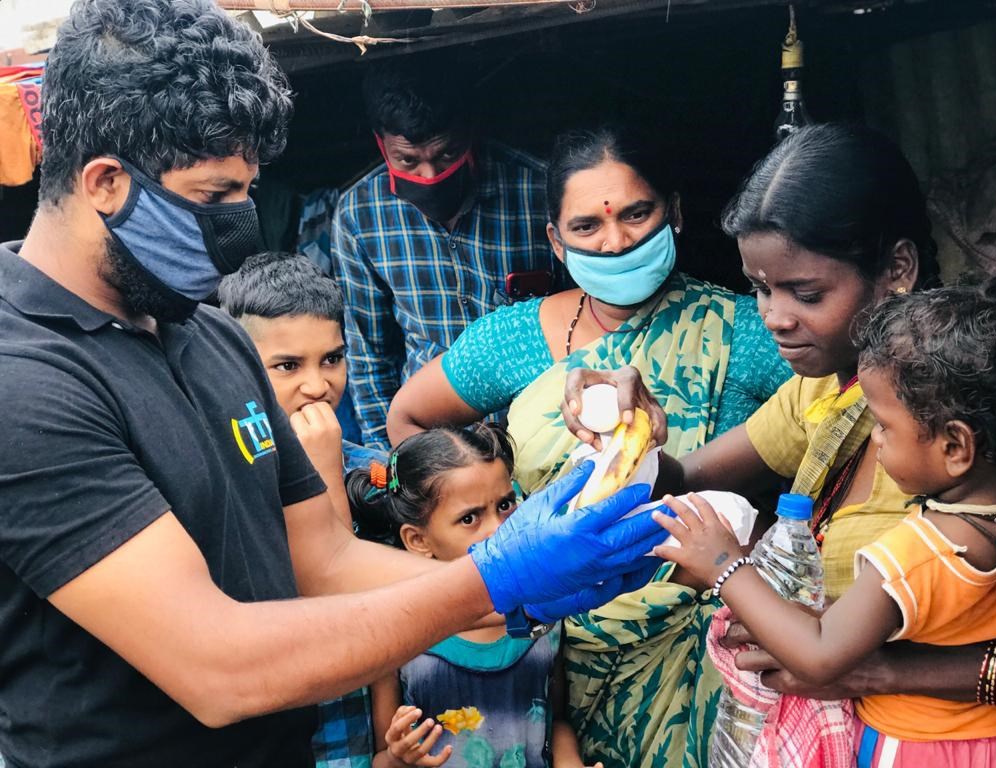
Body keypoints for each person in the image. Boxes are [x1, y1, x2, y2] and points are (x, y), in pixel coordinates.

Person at [0, 3, 665, 766]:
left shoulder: (209, 334)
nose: (241, 230)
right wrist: (494, 574)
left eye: (249, 192)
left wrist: (519, 586)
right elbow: (215, 665)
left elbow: (321, 560)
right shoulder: (24, 381)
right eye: (216, 198)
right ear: (107, 183)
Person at [563, 123, 996, 722]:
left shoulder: (981, 420)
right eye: (760, 289)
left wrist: (883, 672)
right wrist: (631, 430)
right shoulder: (821, 393)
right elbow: (680, 478)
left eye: (805, 293)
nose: (775, 317)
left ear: (898, 269)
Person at [388, 125, 792, 768]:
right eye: (586, 227)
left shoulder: (749, 332)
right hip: (545, 658)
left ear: (676, 212)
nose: (617, 240)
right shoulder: (515, 339)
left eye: (638, 213)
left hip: (703, 648)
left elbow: (833, 433)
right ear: (555, 238)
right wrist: (482, 528)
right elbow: (407, 415)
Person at [656, 277, 996, 766]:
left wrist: (725, 565)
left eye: (885, 429)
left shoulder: (918, 549)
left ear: (955, 447)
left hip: (915, 749)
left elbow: (820, 654)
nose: (874, 442)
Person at [333, 59, 564, 451]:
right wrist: (389, 460)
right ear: (381, 143)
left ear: (469, 133)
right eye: (407, 160)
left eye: (446, 155)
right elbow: (369, 353)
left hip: (542, 432)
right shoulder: (359, 215)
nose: (428, 176)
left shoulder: (540, 193)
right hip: (433, 447)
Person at [218, 251, 385, 768]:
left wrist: (331, 472)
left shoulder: (377, 471)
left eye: (331, 359)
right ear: (235, 365)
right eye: (288, 366)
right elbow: (323, 583)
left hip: (368, 724)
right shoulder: (222, 473)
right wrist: (316, 472)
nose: (317, 385)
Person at [349, 424, 598, 768]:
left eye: (506, 504)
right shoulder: (398, 636)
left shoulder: (543, 614)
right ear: (418, 540)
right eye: (469, 518)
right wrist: (398, 756)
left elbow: (554, 722)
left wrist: (569, 761)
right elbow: (383, 759)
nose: (498, 529)